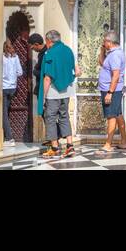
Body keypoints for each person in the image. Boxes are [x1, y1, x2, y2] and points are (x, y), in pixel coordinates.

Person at [39, 29, 78, 159]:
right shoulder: (68, 50)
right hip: (67, 90)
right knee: (64, 116)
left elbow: (48, 77)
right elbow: (77, 71)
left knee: (50, 117)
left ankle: (55, 147)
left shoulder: (49, 53)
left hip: (53, 91)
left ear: (49, 41)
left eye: (46, 41)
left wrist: (43, 96)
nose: (46, 43)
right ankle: (70, 146)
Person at [98, 29, 126, 153]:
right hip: (111, 89)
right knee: (118, 114)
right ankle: (124, 141)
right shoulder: (112, 53)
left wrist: (110, 92)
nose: (103, 43)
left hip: (112, 90)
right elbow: (103, 63)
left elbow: (115, 75)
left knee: (111, 116)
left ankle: (108, 144)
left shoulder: (115, 55)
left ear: (109, 41)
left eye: (104, 41)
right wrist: (102, 51)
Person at [1, 40, 21, 145]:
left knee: (3, 113)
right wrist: (13, 78)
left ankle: (9, 138)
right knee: (6, 111)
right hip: (13, 88)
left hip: (4, 87)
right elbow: (20, 72)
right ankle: (6, 136)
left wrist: (5, 78)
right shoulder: (15, 57)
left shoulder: (2, 58)